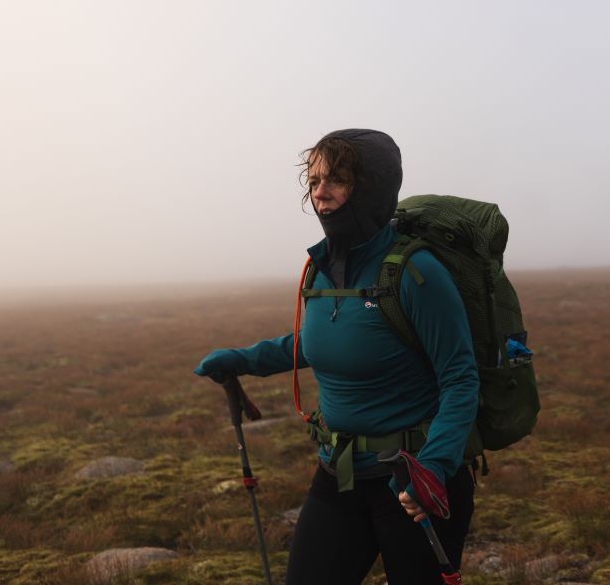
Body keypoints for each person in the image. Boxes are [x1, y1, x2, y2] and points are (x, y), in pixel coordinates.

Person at [195, 129, 479, 584]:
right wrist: (243, 359)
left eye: (337, 180)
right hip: (338, 474)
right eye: (313, 182)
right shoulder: (322, 268)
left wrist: (434, 469)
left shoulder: (416, 272)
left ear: (372, 187)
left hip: (412, 479)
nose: (320, 193)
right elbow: (315, 342)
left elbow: (460, 377)